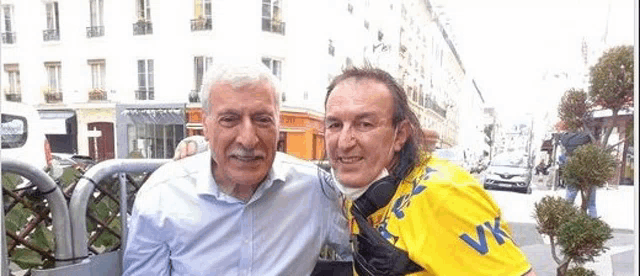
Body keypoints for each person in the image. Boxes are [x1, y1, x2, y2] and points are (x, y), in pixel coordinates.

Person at [123, 60, 350, 275]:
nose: (248, 139)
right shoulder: (161, 196)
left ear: (278, 124)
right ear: (206, 125)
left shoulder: (316, 190)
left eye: (262, 119)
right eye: (229, 119)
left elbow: (365, 256)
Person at [323, 66, 536, 275]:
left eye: (365, 124)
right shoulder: (363, 190)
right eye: (334, 125)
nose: (343, 142)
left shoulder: (442, 194)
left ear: (400, 135)